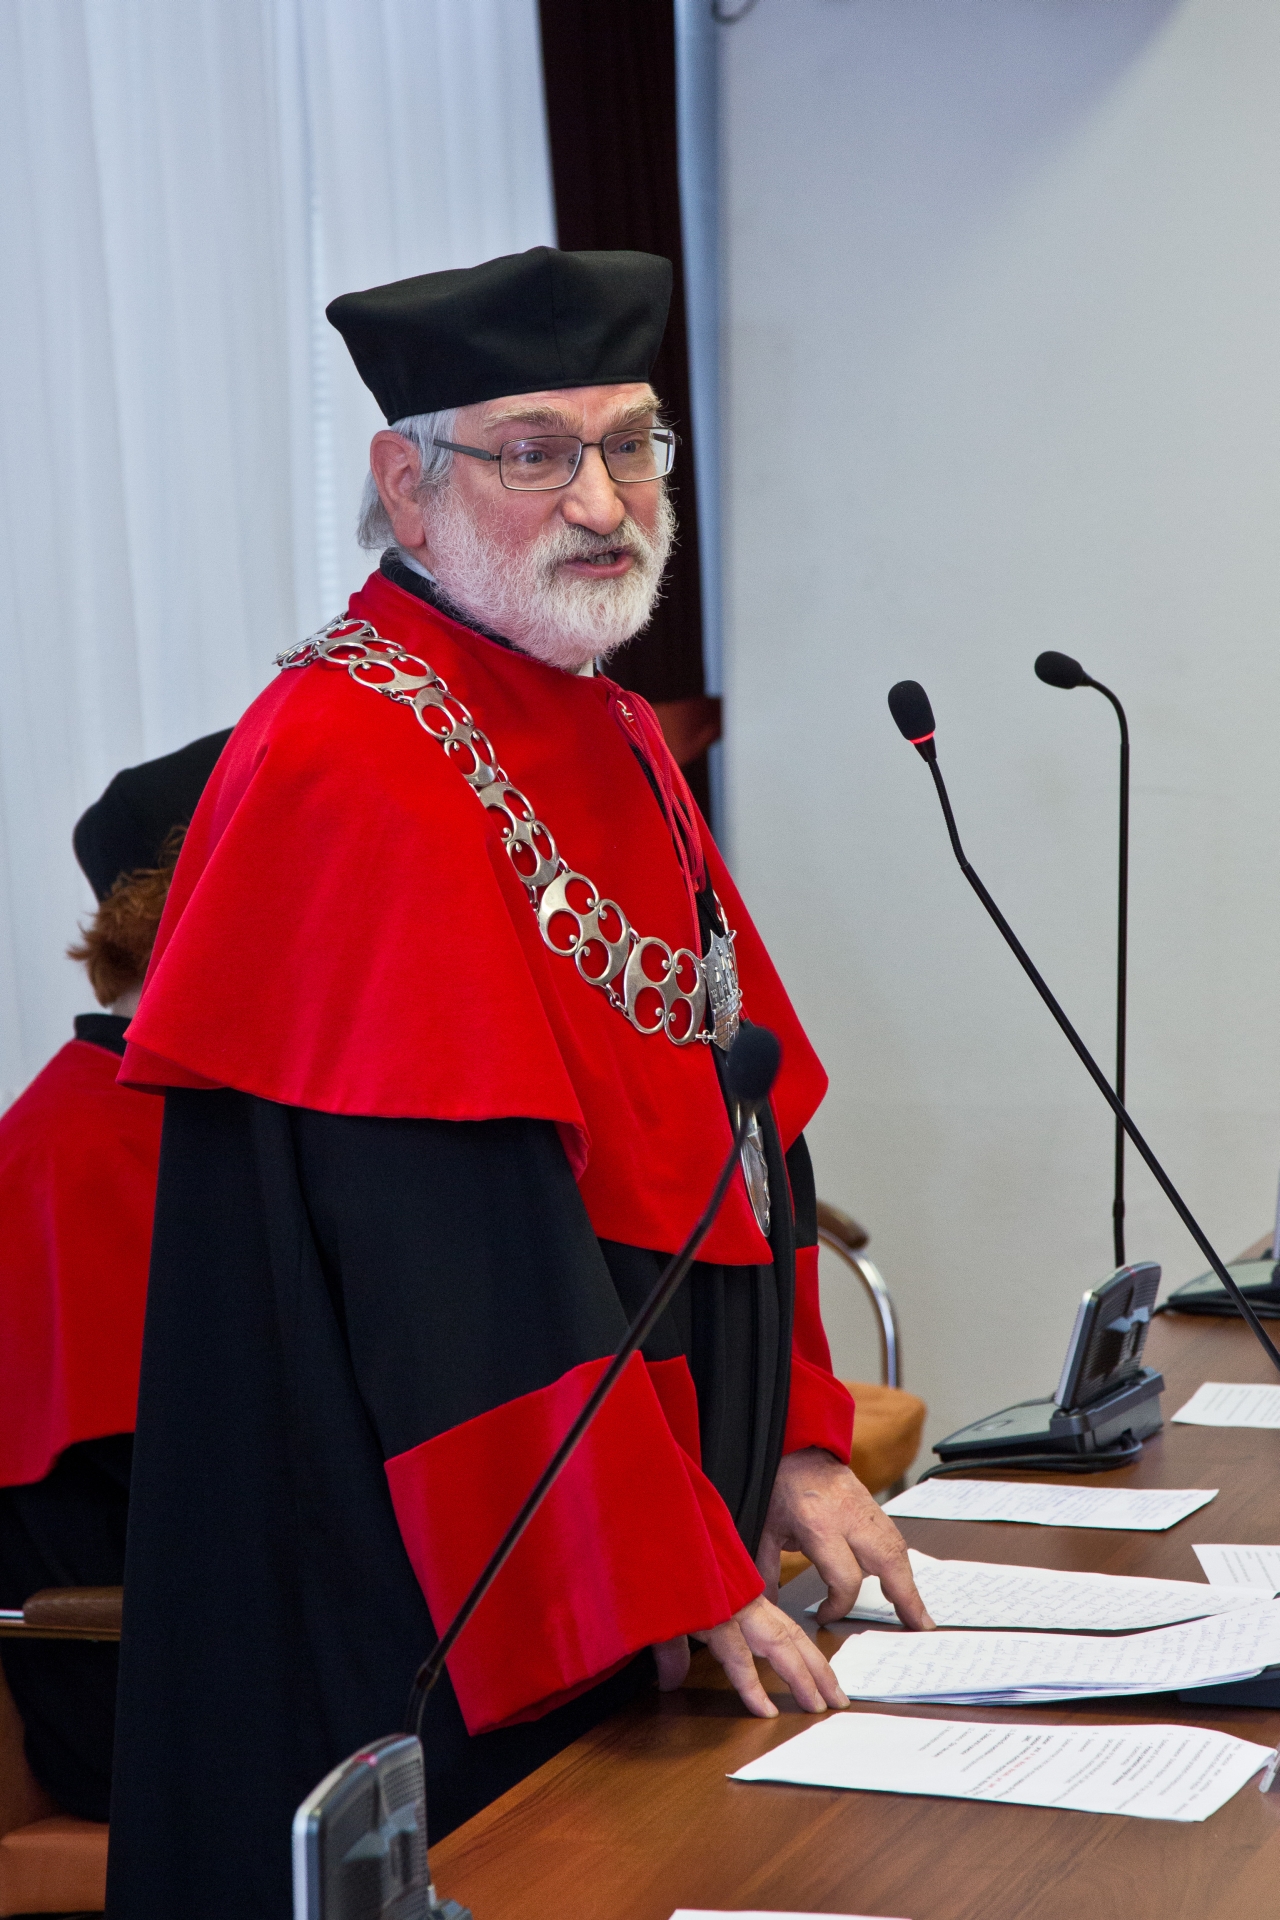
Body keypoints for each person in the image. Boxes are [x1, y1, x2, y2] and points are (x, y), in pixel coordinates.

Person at [107, 246, 931, 1918]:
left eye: (631, 446)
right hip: (441, 1593)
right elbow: (452, 1266)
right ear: (406, 483)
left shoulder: (601, 721)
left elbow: (738, 1122)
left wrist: (796, 1440)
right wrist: (649, 1564)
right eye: (537, 453)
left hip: (644, 1544)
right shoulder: (346, 756)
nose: (605, 502)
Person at [0, 731, 229, 1823]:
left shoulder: (192, 1116)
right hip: (142, 1688)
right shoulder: (77, 1146)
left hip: (236, 1632)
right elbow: (186, 1483)